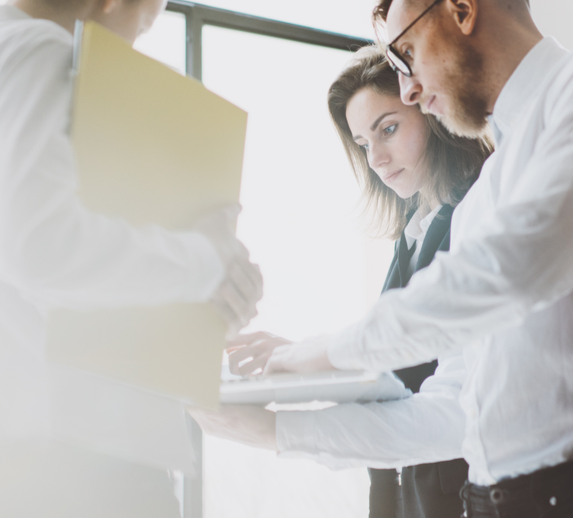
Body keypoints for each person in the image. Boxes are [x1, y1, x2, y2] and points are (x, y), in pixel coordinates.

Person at [265, 0, 573, 518]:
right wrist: (269, 429)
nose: (409, 88)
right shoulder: (485, 196)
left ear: (461, 8)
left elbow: (519, 266)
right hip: (494, 500)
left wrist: (326, 353)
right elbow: (451, 407)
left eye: (406, 55)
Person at [0, 0, 262, 516]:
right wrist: (208, 260)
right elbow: (43, 250)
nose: (130, 49)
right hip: (75, 478)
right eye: (141, 26)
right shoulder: (38, 52)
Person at [191, 45, 491, 518]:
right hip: (412, 492)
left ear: (431, 108)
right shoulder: (414, 233)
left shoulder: (479, 217)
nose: (376, 158)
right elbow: (404, 372)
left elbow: (450, 401)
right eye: (364, 144)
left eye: (387, 129)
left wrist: (279, 416)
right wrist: (306, 363)